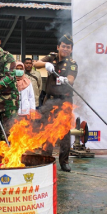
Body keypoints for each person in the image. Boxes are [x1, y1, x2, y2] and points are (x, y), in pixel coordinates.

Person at [34, 34, 77, 172]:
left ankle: (64, 162)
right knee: (47, 129)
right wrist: (46, 64)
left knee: (64, 133)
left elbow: (71, 78)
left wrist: (66, 80)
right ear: (58, 47)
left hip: (64, 101)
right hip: (50, 99)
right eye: (63, 46)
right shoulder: (51, 57)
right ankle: (46, 159)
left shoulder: (72, 63)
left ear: (71, 50)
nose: (65, 49)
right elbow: (35, 64)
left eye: (68, 47)